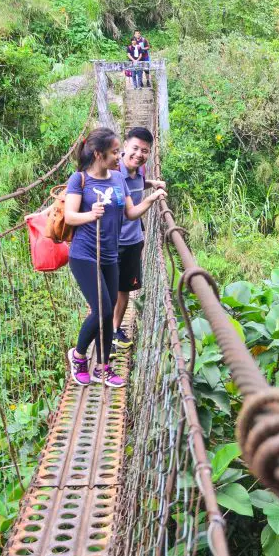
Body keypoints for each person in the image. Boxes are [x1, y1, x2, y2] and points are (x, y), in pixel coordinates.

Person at [64, 127, 166, 387]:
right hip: (85, 254)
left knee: (107, 314)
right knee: (103, 309)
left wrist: (152, 198)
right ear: (98, 154)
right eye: (114, 152)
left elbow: (130, 214)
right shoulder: (79, 179)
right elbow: (70, 216)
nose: (118, 156)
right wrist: (91, 214)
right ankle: (78, 356)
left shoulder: (119, 179)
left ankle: (103, 367)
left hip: (110, 254)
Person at [113, 126, 165, 349]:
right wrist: (153, 197)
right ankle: (104, 333)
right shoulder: (112, 173)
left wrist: (151, 183)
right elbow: (129, 209)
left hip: (133, 241)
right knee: (106, 292)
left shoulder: (140, 171)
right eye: (135, 148)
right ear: (124, 146)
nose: (139, 154)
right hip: (111, 242)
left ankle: (115, 330)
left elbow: (135, 184)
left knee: (124, 288)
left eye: (145, 151)